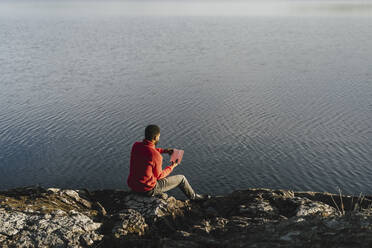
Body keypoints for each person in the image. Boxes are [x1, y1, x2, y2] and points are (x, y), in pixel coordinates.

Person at [127, 124, 210, 201]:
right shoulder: (156, 156)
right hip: (147, 190)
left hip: (133, 186)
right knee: (181, 178)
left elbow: (147, 149)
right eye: (159, 136)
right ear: (155, 137)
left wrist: (164, 151)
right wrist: (172, 166)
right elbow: (159, 176)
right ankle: (194, 197)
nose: (159, 138)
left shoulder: (136, 145)